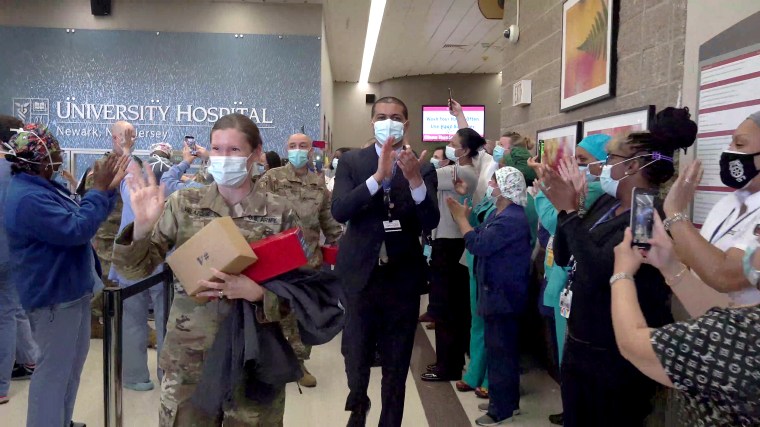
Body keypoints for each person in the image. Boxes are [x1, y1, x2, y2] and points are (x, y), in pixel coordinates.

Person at [111, 113, 303, 426]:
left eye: (234, 150)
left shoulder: (279, 212)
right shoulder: (184, 204)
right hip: (190, 360)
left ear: (256, 153)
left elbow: (301, 292)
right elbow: (135, 269)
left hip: (252, 360)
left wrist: (258, 293)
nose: (223, 157)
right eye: (216, 149)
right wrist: (142, 230)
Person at [539, 108, 696, 426]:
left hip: (614, 356)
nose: (602, 168)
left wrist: (570, 212)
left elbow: (604, 271)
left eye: (609, 160)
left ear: (633, 166)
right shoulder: (604, 204)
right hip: (581, 343)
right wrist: (571, 205)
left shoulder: (646, 214)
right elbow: (570, 252)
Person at [4, 123, 126, 427]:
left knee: (69, 369)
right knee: (53, 373)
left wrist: (106, 191)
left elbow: (81, 214)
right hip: (54, 298)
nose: (59, 156)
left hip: (72, 291)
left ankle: (61, 421)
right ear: (40, 160)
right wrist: (99, 191)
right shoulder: (28, 198)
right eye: (55, 151)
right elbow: (77, 229)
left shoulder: (42, 187)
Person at [331, 96, 439, 427]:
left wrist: (415, 181)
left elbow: (430, 220)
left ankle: (390, 421)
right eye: (381, 116)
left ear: (405, 124)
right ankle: (358, 403)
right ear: (372, 122)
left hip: (402, 278)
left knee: (397, 358)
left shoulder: (422, 166)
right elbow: (340, 210)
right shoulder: (352, 162)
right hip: (360, 274)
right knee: (356, 350)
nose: (387, 121)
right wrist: (378, 177)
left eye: (395, 117)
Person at [611, 210, 759, 426]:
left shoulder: (741, 339)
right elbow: (726, 316)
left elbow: (632, 343)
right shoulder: (740, 327)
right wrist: (671, 266)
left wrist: (621, 272)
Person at [530, 134, 611, 425]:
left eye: (583, 161)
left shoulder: (593, 192)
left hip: (574, 287)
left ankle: (573, 411)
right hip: (562, 278)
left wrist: (543, 192)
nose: (577, 167)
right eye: (575, 160)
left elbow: (556, 221)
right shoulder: (588, 192)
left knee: (568, 355)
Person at [256, 133, 344, 388]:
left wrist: (341, 243)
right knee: (275, 314)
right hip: (277, 262)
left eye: (302, 146)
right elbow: (256, 211)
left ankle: (299, 364)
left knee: (303, 315)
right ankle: (273, 364)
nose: (297, 150)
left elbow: (327, 219)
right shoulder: (272, 179)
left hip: (308, 261)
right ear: (286, 149)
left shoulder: (318, 184)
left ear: (310, 151)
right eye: (293, 146)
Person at [448, 166, 531, 426]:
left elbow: (478, 245)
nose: (491, 186)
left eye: (494, 181)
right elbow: (480, 232)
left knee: (500, 353)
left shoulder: (511, 219)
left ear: (505, 187)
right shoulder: (500, 212)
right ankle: (507, 400)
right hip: (496, 293)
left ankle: (500, 409)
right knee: (502, 351)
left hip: (503, 297)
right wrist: (465, 215)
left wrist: (461, 220)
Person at [663, 110, 760, 306]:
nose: (729, 150)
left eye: (740, 144)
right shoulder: (728, 203)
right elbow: (699, 259)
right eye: (731, 143)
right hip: (712, 325)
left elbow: (725, 275)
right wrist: (662, 249)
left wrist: (675, 212)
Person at [423, 128, 483, 383]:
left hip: (452, 244)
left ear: (465, 150)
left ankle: (449, 365)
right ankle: (448, 360)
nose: (448, 146)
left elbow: (426, 174)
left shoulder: (462, 171)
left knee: (448, 308)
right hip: (446, 242)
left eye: (452, 143)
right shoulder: (457, 168)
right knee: (448, 307)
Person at [109, 151, 167, 391]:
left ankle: (135, 376)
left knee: (133, 320)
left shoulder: (129, 187)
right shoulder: (170, 189)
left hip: (132, 260)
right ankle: (167, 375)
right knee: (165, 320)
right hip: (162, 262)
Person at [0, 116, 40, 406]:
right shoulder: (19, 172)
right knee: (11, 312)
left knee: (9, 314)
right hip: (14, 254)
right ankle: (26, 362)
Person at [86, 120, 135, 338]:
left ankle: (124, 322)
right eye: (127, 135)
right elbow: (90, 193)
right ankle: (94, 319)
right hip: (106, 231)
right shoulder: (102, 164)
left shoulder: (134, 163)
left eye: (133, 135)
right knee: (105, 277)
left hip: (127, 231)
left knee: (125, 277)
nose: (132, 140)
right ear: (116, 138)